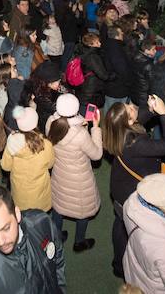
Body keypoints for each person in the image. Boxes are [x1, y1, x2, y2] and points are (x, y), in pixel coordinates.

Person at [102, 95, 165, 278]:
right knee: (135, 230)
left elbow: (138, 118)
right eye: (129, 109)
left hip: (119, 188)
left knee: (120, 223)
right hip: (131, 195)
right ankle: (126, 266)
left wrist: (151, 109)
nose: (132, 106)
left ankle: (117, 264)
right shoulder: (135, 143)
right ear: (128, 122)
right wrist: (164, 114)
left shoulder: (116, 130)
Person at [0, 186, 65, 294]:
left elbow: (58, 256)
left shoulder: (42, 222)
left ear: (17, 214)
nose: (0, 241)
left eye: (6, 228)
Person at [47, 94, 102, 252]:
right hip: (79, 179)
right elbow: (97, 154)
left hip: (59, 173)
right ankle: (79, 241)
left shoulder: (50, 123)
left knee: (58, 206)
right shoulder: (80, 134)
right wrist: (95, 128)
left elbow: (65, 133)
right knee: (82, 210)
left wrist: (80, 125)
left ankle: (57, 236)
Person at [0, 106, 55, 212]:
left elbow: (5, 167)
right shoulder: (46, 144)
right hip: (40, 193)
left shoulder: (12, 142)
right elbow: (50, 165)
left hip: (20, 193)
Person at [75, 32, 114, 112]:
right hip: (91, 89)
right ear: (90, 45)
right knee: (90, 111)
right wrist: (114, 75)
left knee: (86, 108)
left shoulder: (83, 51)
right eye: (97, 42)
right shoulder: (92, 57)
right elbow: (103, 75)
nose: (100, 43)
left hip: (84, 85)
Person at [102, 25, 132, 112]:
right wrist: (128, 82)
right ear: (117, 36)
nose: (123, 34)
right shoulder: (116, 49)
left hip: (112, 86)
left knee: (110, 111)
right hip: (118, 88)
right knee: (115, 112)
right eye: (121, 33)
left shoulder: (109, 45)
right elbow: (122, 69)